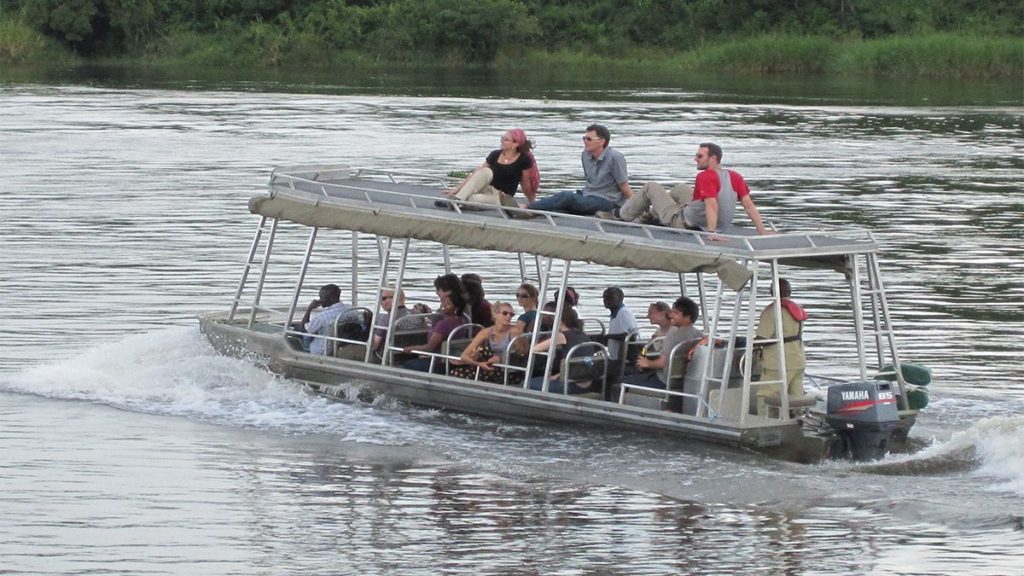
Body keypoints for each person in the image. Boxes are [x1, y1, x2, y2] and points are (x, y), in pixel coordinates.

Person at [606, 142, 770, 236]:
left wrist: (711, 234)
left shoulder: (705, 176)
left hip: (684, 223)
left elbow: (711, 205)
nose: (695, 159)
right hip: (711, 222)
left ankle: (621, 215)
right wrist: (761, 230)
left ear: (713, 159)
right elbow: (748, 205)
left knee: (651, 187)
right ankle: (650, 215)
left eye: (700, 156)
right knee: (680, 188)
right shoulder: (735, 176)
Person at [528, 124, 634, 215]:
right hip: (588, 194)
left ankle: (528, 208)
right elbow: (589, 181)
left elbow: (623, 185)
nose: (585, 141)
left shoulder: (615, 157)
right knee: (563, 207)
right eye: (584, 138)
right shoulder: (585, 155)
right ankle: (534, 213)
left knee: (567, 197)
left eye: (589, 139)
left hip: (608, 200)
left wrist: (637, 207)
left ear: (602, 141)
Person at [440, 128, 540, 208]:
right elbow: (477, 174)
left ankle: (458, 201)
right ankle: (458, 199)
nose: (502, 141)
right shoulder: (495, 154)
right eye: (502, 138)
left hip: (501, 196)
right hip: (486, 188)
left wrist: (533, 203)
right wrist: (457, 189)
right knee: (485, 171)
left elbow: (525, 184)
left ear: (515, 144)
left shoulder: (524, 159)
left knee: (473, 198)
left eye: (505, 140)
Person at [754, 278, 808, 415]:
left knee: (766, 397)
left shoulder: (772, 311)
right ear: (790, 292)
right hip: (798, 359)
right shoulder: (797, 310)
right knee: (796, 396)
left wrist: (751, 344)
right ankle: (797, 423)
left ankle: (765, 425)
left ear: (771, 292)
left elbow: (762, 338)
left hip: (778, 362)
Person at [623, 297, 702, 389]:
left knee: (622, 382)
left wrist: (646, 363)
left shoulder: (673, 334)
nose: (671, 315)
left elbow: (662, 363)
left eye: (676, 313)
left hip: (663, 380)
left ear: (687, 317)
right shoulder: (698, 335)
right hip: (682, 381)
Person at [402, 278, 468, 372]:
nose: (442, 306)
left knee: (407, 364)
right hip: (449, 358)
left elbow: (429, 347)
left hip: (439, 361)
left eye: (446, 304)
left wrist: (410, 349)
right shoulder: (461, 320)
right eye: (442, 302)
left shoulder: (443, 325)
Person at [527, 307, 594, 394]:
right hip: (586, 382)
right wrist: (557, 375)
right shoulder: (582, 334)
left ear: (561, 321)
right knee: (547, 379)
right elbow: (577, 364)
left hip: (571, 385)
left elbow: (535, 349)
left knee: (529, 382)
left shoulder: (561, 336)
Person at [450, 301, 516, 384]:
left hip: (509, 369)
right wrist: (478, 364)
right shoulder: (486, 332)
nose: (509, 316)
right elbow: (464, 355)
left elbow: (522, 354)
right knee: (457, 372)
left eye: (511, 314)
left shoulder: (514, 331)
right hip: (490, 366)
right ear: (495, 314)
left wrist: (501, 358)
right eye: (505, 313)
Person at [301, 283, 352, 355]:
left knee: (298, 331)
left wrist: (309, 309)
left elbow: (303, 329)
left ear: (332, 298)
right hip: (341, 344)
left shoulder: (323, 317)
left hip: (322, 350)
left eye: (322, 297)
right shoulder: (351, 309)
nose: (320, 300)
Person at [602, 286, 637, 362]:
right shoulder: (615, 314)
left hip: (623, 360)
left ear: (620, 298)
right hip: (613, 357)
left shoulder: (624, 313)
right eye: (604, 297)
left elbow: (630, 337)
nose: (606, 300)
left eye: (610, 298)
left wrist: (609, 337)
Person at [373, 287, 412, 352]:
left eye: (383, 298)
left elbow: (374, 346)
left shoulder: (385, 319)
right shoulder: (418, 315)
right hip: (413, 353)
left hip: (387, 357)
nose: (381, 302)